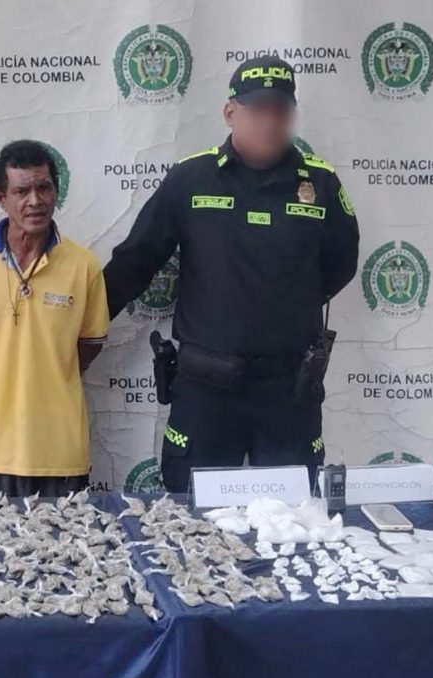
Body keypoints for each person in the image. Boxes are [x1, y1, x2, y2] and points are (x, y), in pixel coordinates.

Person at [103, 56, 360, 492]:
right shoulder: (191, 179)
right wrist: (77, 327)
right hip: (206, 388)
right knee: (190, 519)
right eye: (257, 110)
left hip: (288, 390)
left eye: (281, 110)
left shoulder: (321, 184)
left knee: (295, 524)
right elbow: (136, 261)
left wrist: (282, 304)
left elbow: (341, 265)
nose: (270, 122)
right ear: (230, 112)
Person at [0, 140, 109, 498]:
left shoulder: (83, 265)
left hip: (56, 451)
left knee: (64, 552)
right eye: (21, 191)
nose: (35, 200)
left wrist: (46, 370)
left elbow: (89, 345)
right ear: (0, 198)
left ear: (56, 191)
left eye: (44, 187)